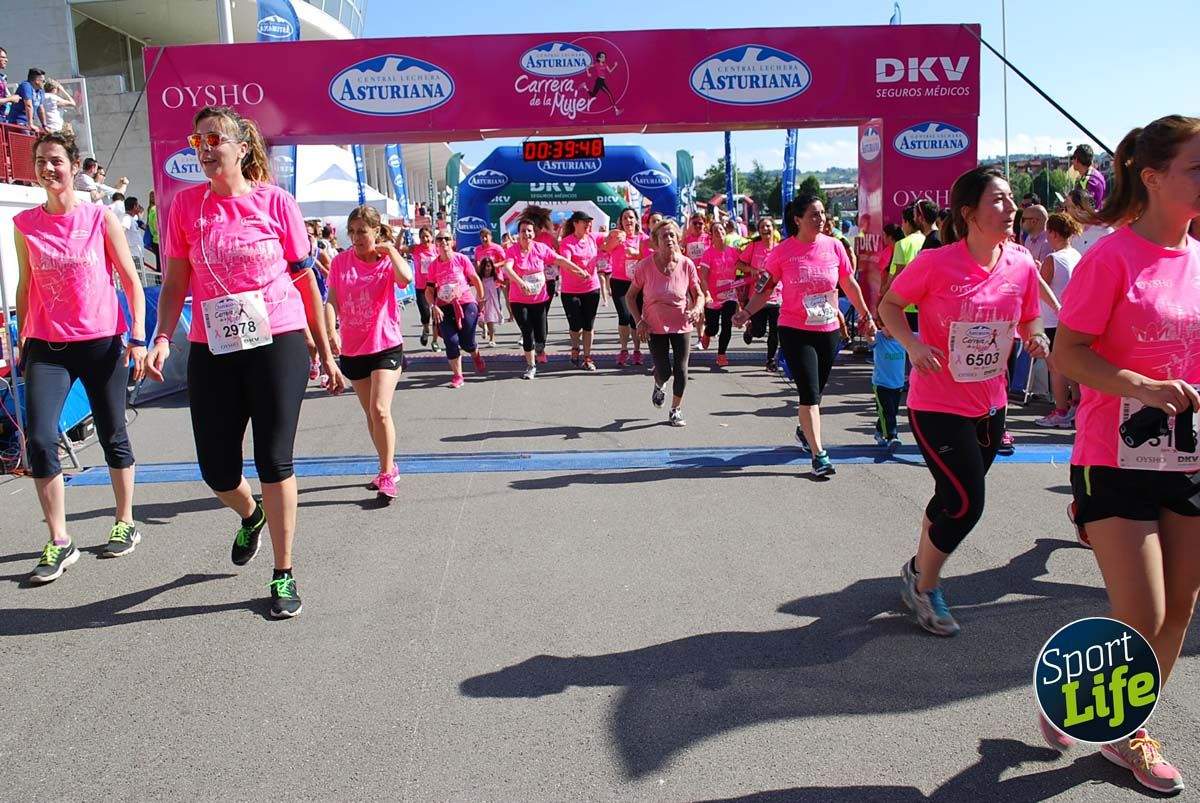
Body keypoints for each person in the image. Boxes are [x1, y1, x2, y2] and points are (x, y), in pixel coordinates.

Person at [1045, 116, 1200, 794]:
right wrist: (1143, 386)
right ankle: (1117, 722)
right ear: (1154, 176)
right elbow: (1068, 352)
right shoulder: (1110, 257)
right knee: (1141, 611)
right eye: (1197, 167)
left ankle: (1113, 719)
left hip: (1188, 458)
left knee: (1180, 610)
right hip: (1112, 457)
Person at [148, 105, 345, 619]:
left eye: (215, 138)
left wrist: (325, 353)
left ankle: (283, 572)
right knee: (216, 468)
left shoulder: (275, 203)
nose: (206, 147)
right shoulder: (184, 208)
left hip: (276, 339)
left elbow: (306, 282)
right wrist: (162, 336)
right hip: (214, 346)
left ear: (241, 148)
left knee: (273, 459)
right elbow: (174, 282)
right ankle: (250, 514)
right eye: (198, 141)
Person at [878, 166, 1047, 637]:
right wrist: (912, 345)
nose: (1011, 207)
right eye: (999, 200)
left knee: (950, 497)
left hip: (991, 406)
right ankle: (925, 588)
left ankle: (916, 569)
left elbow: (1031, 316)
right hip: (936, 404)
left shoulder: (1021, 262)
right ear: (969, 212)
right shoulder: (935, 262)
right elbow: (889, 306)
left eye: (1011, 198)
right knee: (967, 502)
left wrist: (1036, 339)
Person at [14, 131, 149, 582]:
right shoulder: (25, 224)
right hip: (47, 347)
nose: (48, 168)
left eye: (55, 160)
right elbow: (24, 284)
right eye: (40, 161)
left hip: (102, 342)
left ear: (74, 165)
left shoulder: (99, 218)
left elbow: (131, 281)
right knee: (39, 436)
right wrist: (21, 341)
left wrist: (139, 338)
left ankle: (125, 522)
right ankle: (59, 540)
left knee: (113, 433)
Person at [734, 193, 876, 477]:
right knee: (809, 392)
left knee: (816, 391)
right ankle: (819, 455)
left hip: (828, 330)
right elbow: (764, 287)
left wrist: (865, 314)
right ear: (797, 219)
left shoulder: (835, 247)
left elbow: (848, 283)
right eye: (813, 214)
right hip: (794, 329)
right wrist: (746, 312)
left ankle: (804, 430)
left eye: (822, 213)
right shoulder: (782, 252)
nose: (820, 219)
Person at [324, 205, 410, 501]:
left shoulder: (387, 260)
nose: (358, 237)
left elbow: (406, 279)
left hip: (385, 344)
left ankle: (387, 473)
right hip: (353, 347)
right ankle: (389, 464)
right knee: (371, 416)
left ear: (376, 230)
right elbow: (331, 300)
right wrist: (332, 330)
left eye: (363, 231)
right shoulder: (340, 262)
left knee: (380, 410)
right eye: (353, 232)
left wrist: (390, 250)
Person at [627, 220, 704, 426]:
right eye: (664, 236)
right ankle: (659, 383)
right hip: (654, 324)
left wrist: (697, 308)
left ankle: (675, 409)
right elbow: (630, 296)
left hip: (682, 322)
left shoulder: (687, 264)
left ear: (678, 238)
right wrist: (639, 321)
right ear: (655, 242)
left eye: (672, 235)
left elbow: (699, 294)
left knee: (681, 368)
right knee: (664, 370)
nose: (669, 239)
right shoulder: (644, 266)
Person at [503, 218, 584, 379]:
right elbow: (507, 268)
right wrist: (520, 282)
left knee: (540, 334)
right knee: (527, 331)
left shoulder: (541, 248)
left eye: (529, 231)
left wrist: (577, 269)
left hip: (539, 299)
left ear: (533, 233)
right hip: (518, 300)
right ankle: (531, 366)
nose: (526, 234)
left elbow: (559, 260)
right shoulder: (513, 250)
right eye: (522, 231)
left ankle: (540, 348)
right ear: (518, 234)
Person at [1034, 213, 1083, 429]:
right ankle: (1075, 406)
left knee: (1056, 368)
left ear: (1053, 233)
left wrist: (1036, 270)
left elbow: (1039, 285)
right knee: (1071, 367)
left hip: (1053, 320)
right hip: (1071, 318)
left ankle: (1061, 410)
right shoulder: (1077, 255)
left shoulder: (1053, 259)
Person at [427, 231, 487, 387]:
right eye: (439, 239)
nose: (443, 242)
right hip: (444, 306)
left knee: (467, 342)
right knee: (451, 341)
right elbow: (429, 290)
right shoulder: (433, 265)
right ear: (436, 244)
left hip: (466, 303)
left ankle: (476, 355)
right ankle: (458, 376)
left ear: (452, 242)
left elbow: (475, 279)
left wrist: (481, 299)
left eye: (446, 238)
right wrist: (433, 306)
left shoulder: (461, 259)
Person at [558, 210, 604, 371]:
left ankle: (587, 357)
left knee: (588, 325)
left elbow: (610, 237)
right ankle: (575, 347)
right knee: (575, 324)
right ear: (575, 223)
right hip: (571, 290)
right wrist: (579, 271)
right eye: (585, 222)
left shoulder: (592, 237)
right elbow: (565, 262)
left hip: (592, 288)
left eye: (589, 222)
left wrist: (621, 232)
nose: (588, 225)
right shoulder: (567, 242)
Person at [603, 208, 650, 367]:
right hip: (619, 282)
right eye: (625, 218)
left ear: (636, 220)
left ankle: (637, 350)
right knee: (623, 315)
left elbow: (651, 256)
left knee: (634, 318)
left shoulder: (644, 238)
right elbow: (606, 249)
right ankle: (624, 350)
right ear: (621, 221)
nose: (628, 221)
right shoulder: (616, 235)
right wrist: (616, 240)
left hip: (638, 283)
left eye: (631, 218)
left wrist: (636, 253)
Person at [737, 216, 782, 371]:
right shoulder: (753, 247)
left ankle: (770, 360)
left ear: (773, 229)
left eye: (768, 226)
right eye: (762, 227)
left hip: (776, 295)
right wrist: (752, 270)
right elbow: (739, 264)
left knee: (775, 331)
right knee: (759, 331)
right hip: (757, 296)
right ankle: (751, 329)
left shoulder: (779, 248)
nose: (765, 229)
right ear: (759, 230)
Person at [698, 218, 740, 368]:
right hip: (713, 296)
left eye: (721, 230)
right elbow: (702, 277)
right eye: (716, 231)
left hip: (730, 295)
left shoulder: (734, 252)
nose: (719, 233)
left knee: (727, 325)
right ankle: (707, 333)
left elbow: (743, 267)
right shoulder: (708, 254)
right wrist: (706, 294)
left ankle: (721, 354)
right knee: (713, 327)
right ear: (712, 236)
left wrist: (753, 271)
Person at [409, 225, 440, 351]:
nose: (425, 239)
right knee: (426, 314)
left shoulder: (437, 249)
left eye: (427, 236)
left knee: (436, 316)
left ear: (432, 237)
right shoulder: (416, 249)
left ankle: (434, 341)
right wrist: (402, 232)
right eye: (422, 237)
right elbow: (398, 248)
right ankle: (426, 329)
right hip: (421, 287)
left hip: (436, 286)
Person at [1066, 189, 1116, 255]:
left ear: (1078, 209)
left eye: (1068, 207)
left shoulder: (1105, 229)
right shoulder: (1070, 229)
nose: (1066, 211)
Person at [1071, 143, 1108, 211]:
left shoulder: (1091, 181)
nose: (1072, 161)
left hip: (1090, 220)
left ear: (1076, 159)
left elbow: (1088, 209)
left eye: (1072, 158)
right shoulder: (1093, 175)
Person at [477, 257, 503, 346]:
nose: (487, 268)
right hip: (481, 299)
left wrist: (503, 285)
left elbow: (501, 282)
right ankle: (484, 328)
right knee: (480, 319)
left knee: (490, 320)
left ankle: (492, 339)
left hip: (491, 300)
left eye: (489, 266)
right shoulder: (479, 277)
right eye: (485, 266)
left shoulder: (494, 276)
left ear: (492, 267)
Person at [585, 51, 620, 115]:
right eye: (602, 57)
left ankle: (585, 87)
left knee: (593, 95)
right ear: (599, 58)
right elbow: (587, 66)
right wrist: (588, 73)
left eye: (604, 57)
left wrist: (615, 66)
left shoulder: (605, 64)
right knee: (609, 94)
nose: (604, 58)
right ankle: (616, 110)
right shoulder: (596, 64)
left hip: (602, 81)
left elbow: (610, 71)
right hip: (599, 81)